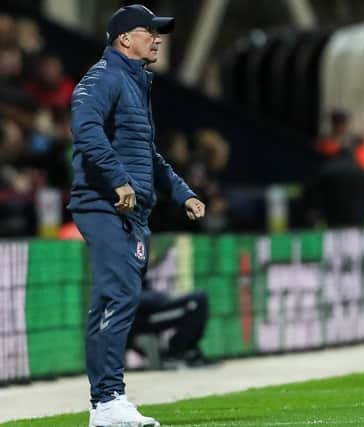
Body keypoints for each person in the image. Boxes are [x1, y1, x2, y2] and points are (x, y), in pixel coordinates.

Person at [68, 5, 206, 427]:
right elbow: (85, 126)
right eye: (150, 31)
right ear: (125, 39)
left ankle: (109, 401)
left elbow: (147, 154)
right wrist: (117, 180)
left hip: (132, 209)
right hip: (104, 204)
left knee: (122, 299)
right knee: (114, 298)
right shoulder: (104, 77)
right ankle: (107, 403)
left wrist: (181, 192)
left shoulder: (133, 82)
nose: (157, 38)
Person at [127, 286, 211, 369]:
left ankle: (187, 352)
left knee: (199, 299)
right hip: (139, 312)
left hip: (147, 299)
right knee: (196, 302)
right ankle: (177, 354)